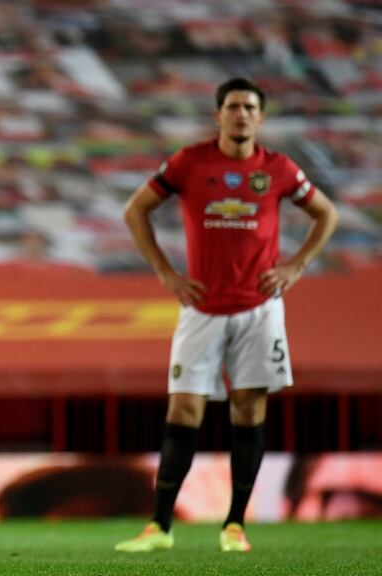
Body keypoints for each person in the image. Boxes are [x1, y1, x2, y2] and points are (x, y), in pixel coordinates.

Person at [116, 77, 338, 552]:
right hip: (202, 308)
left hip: (260, 310)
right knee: (184, 408)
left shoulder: (278, 168)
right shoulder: (190, 163)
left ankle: (234, 525)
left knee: (249, 409)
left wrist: (296, 265)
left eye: (250, 107)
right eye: (233, 107)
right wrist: (165, 272)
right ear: (218, 115)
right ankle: (159, 527)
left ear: (260, 117)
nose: (241, 114)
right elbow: (136, 210)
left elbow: (327, 214)